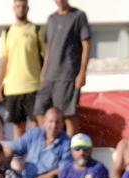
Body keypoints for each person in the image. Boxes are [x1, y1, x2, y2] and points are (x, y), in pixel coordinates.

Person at [36, 0, 91, 135]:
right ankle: (50, 147)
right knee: (39, 110)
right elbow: (49, 48)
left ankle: (72, 151)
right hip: (50, 75)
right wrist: (44, 71)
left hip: (68, 74)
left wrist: (82, 72)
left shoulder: (78, 16)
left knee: (68, 115)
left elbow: (87, 45)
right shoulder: (51, 19)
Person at [0, 0, 45, 138]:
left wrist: (44, 77)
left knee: (37, 124)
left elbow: (48, 55)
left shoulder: (36, 30)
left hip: (33, 85)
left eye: (23, 6)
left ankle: (37, 156)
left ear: (28, 8)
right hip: (13, 88)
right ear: (13, 9)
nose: (20, 9)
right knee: (18, 126)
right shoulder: (7, 32)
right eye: (17, 6)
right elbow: (4, 60)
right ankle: (19, 158)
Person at [12, 106, 72, 178]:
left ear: (63, 124)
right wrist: (15, 160)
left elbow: (63, 170)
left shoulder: (67, 143)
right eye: (51, 121)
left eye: (58, 122)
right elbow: (14, 149)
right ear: (44, 122)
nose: (54, 125)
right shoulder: (34, 133)